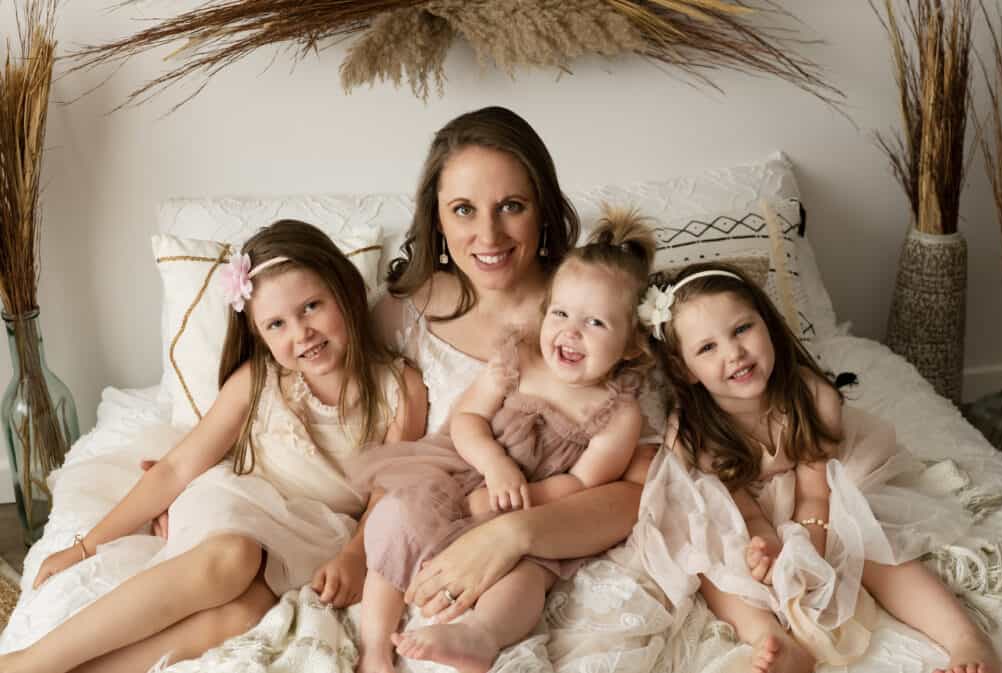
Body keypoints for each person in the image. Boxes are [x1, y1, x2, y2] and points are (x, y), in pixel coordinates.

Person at [0, 219, 427, 673]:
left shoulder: (401, 391)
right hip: (237, 501)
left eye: (312, 306)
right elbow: (177, 467)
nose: (300, 333)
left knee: (242, 614)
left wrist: (353, 555)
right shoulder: (260, 380)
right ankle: (29, 662)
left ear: (344, 291)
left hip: (315, 532)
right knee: (234, 558)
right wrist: (84, 547)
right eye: (276, 324)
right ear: (259, 334)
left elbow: (388, 493)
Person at [637, 262, 1002, 673]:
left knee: (868, 536)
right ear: (685, 370)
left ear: (768, 324)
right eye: (708, 348)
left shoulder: (813, 400)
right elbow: (743, 509)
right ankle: (773, 639)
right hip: (738, 505)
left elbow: (815, 492)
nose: (735, 353)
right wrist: (765, 547)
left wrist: (806, 551)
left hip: (819, 488)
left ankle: (965, 638)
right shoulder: (694, 433)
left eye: (742, 329)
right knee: (709, 563)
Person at [372, 105, 661, 625]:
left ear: (543, 208)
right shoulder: (402, 310)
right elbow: (386, 452)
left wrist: (510, 534)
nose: (489, 235)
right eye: (463, 208)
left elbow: (638, 489)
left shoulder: (593, 302)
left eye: (511, 205)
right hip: (435, 522)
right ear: (434, 213)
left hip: (547, 537)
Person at [357, 211, 655, 673]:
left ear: (633, 344)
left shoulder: (618, 413)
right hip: (463, 477)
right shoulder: (517, 358)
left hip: (533, 512)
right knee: (396, 519)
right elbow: (468, 419)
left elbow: (581, 485)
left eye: (595, 323)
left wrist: (513, 502)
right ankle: (374, 649)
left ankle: (478, 637)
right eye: (560, 313)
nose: (570, 331)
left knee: (526, 581)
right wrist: (495, 466)